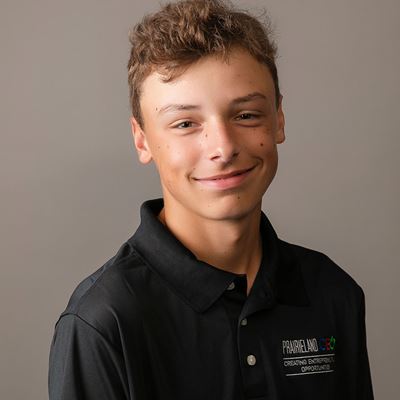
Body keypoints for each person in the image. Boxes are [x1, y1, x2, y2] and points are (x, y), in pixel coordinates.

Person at [48, 0, 374, 399]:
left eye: (246, 115)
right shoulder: (103, 321)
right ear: (142, 139)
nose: (223, 148)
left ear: (279, 118)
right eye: (185, 123)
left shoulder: (332, 292)